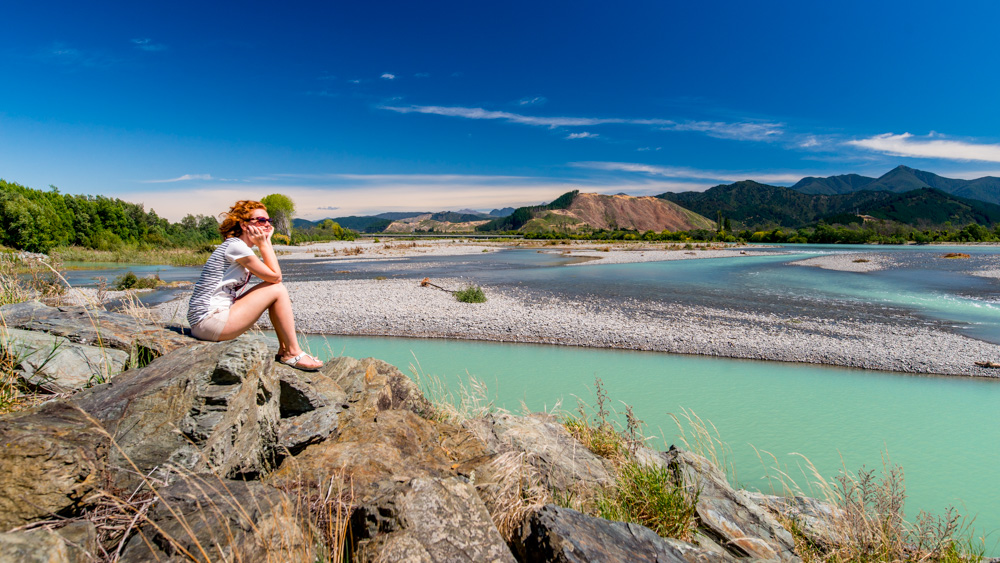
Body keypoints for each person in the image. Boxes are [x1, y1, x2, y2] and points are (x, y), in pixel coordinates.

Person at [187, 200, 323, 371]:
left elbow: (273, 276)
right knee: (277, 289)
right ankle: (292, 352)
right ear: (244, 225)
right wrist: (265, 243)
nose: (267, 225)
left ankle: (285, 349)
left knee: (274, 290)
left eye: (268, 221)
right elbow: (276, 277)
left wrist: (265, 242)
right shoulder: (236, 246)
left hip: (205, 321)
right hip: (209, 322)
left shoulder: (238, 246)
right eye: (260, 221)